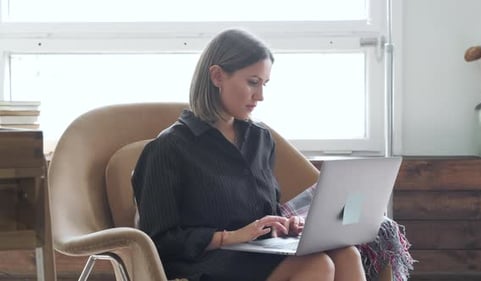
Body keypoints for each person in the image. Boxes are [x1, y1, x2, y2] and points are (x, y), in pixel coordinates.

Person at [132, 28, 367, 281]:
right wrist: (228, 237)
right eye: (253, 82)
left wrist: (282, 224)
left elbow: (261, 207)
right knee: (317, 264)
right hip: (206, 263)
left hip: (257, 252)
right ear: (217, 76)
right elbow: (158, 241)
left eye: (264, 84)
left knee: (347, 254)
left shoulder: (260, 138)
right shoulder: (168, 148)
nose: (261, 96)